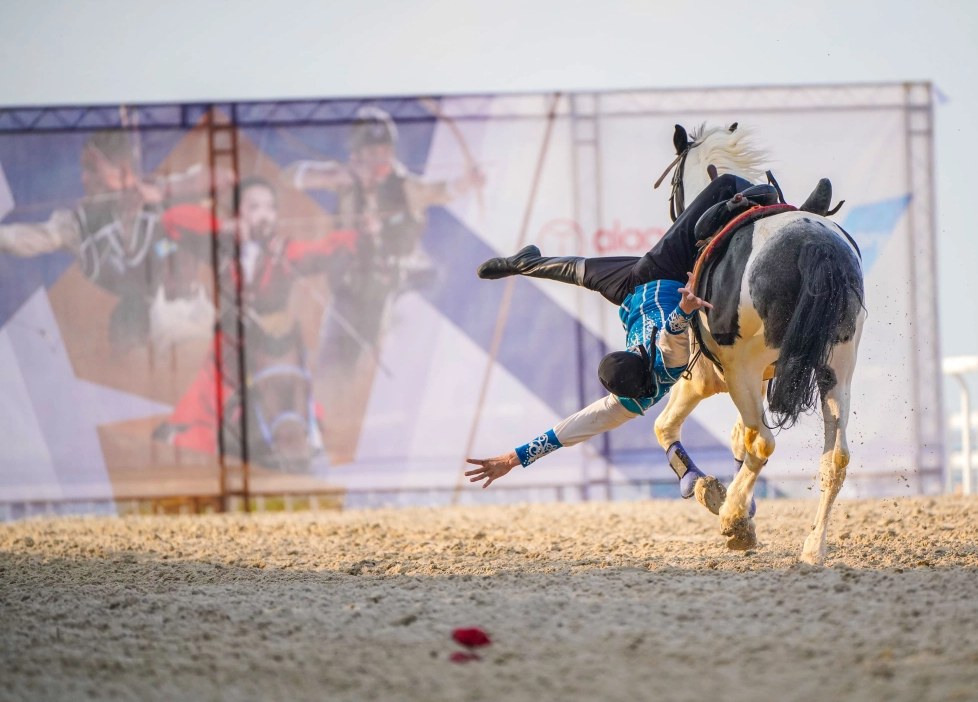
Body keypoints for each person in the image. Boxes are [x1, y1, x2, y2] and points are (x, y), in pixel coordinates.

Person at [155, 176, 359, 467]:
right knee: (195, 438)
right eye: (254, 207)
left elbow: (325, 250)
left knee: (301, 423)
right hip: (227, 361)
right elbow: (171, 220)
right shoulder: (221, 245)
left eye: (270, 208)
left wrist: (357, 235)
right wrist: (224, 228)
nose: (264, 215)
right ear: (238, 214)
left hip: (269, 357)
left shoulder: (284, 251)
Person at [465, 270, 722, 498]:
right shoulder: (662, 356)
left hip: (638, 285)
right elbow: (671, 333)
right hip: (650, 279)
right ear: (633, 354)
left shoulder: (630, 401)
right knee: (576, 269)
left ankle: (523, 262)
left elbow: (566, 431)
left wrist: (513, 459)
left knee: (577, 270)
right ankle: (524, 263)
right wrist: (684, 309)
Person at [282, 106, 485, 373]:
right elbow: (291, 176)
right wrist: (334, 176)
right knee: (330, 366)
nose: (381, 158)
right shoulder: (344, 177)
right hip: (347, 289)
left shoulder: (403, 185)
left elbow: (438, 192)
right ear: (357, 155)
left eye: (386, 151)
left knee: (375, 366)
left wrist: (466, 182)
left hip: (387, 292)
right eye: (373, 152)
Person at [0, 129, 219, 350]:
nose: (83, 178)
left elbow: (223, 178)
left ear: (122, 169)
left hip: (196, 317)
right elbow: (27, 238)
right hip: (145, 334)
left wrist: (163, 191)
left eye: (92, 168)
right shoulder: (80, 225)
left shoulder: (157, 192)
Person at [476, 172, 777, 307]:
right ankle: (757, 205)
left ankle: (525, 263)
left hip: (647, 285)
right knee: (725, 184)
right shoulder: (656, 371)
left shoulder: (655, 383)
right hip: (643, 285)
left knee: (578, 271)